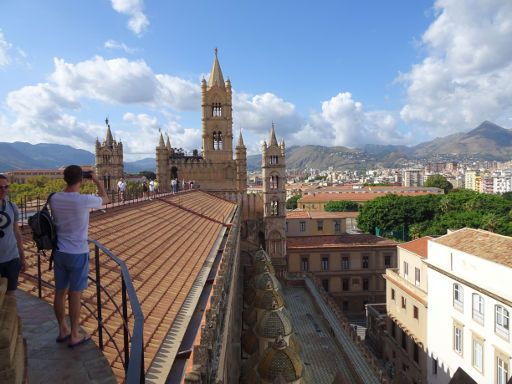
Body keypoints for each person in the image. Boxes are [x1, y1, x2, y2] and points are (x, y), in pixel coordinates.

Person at [50, 166, 108, 348]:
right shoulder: (83, 200)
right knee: (75, 295)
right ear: (81, 180)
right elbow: (105, 199)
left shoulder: (54, 198)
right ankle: (75, 334)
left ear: (64, 179)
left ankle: (62, 330)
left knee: (60, 293)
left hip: (59, 252)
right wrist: (98, 181)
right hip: (77, 252)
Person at [0, 175, 27, 295]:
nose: (3, 190)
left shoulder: (12, 207)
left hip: (12, 259)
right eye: (0, 187)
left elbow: (17, 232)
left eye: (6, 187)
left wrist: (22, 258)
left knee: (10, 296)